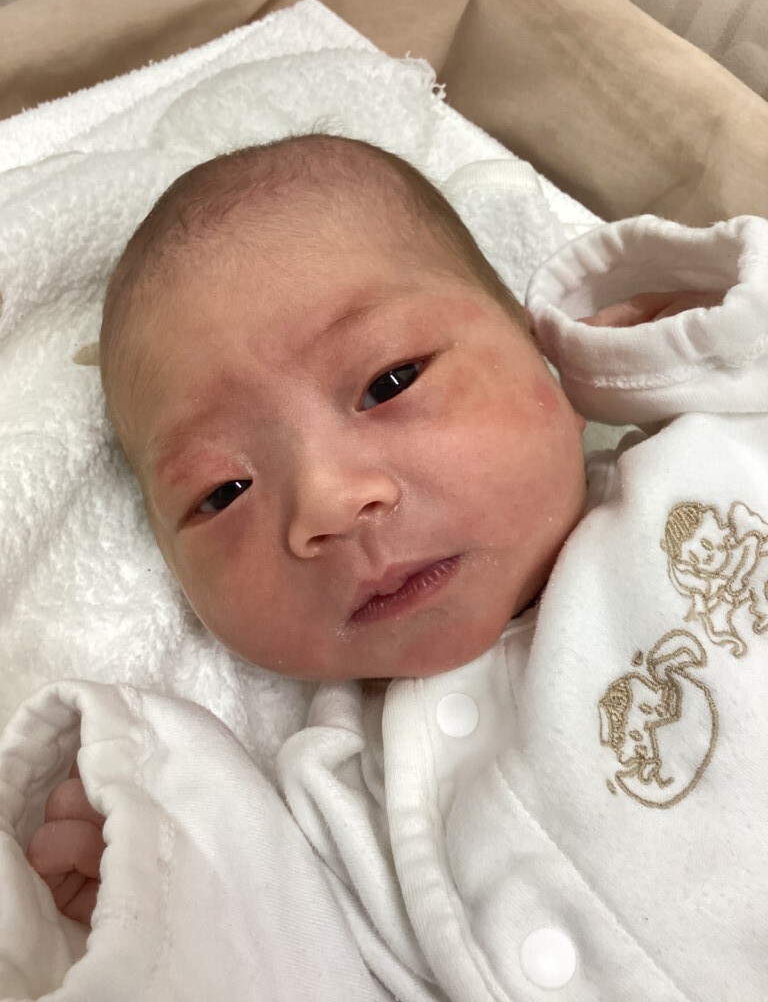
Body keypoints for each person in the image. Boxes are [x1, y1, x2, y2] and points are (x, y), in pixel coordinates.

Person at [26, 134, 768, 998]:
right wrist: (174, 883)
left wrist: (647, 361)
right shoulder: (332, 798)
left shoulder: (709, 457)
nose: (328, 502)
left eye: (389, 381)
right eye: (223, 491)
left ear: (542, 352)